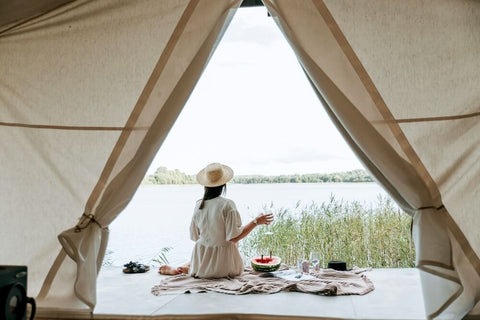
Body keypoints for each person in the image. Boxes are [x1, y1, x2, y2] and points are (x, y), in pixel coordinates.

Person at [159, 162, 274, 278]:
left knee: (206, 248)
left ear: (205, 185)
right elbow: (234, 238)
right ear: (224, 185)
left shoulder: (199, 205)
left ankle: (185, 267)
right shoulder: (227, 205)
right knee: (241, 259)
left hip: (201, 264)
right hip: (224, 267)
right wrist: (256, 222)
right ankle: (186, 267)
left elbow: (195, 237)